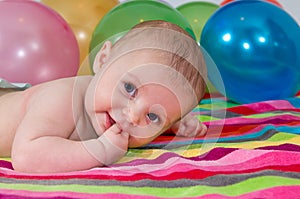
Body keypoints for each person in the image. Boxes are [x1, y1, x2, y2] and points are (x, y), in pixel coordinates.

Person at [0, 20, 207, 173]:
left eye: (153, 116)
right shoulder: (62, 99)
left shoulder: (112, 108)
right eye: (129, 88)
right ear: (102, 59)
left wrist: (174, 125)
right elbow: (26, 156)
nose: (133, 116)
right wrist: (99, 150)